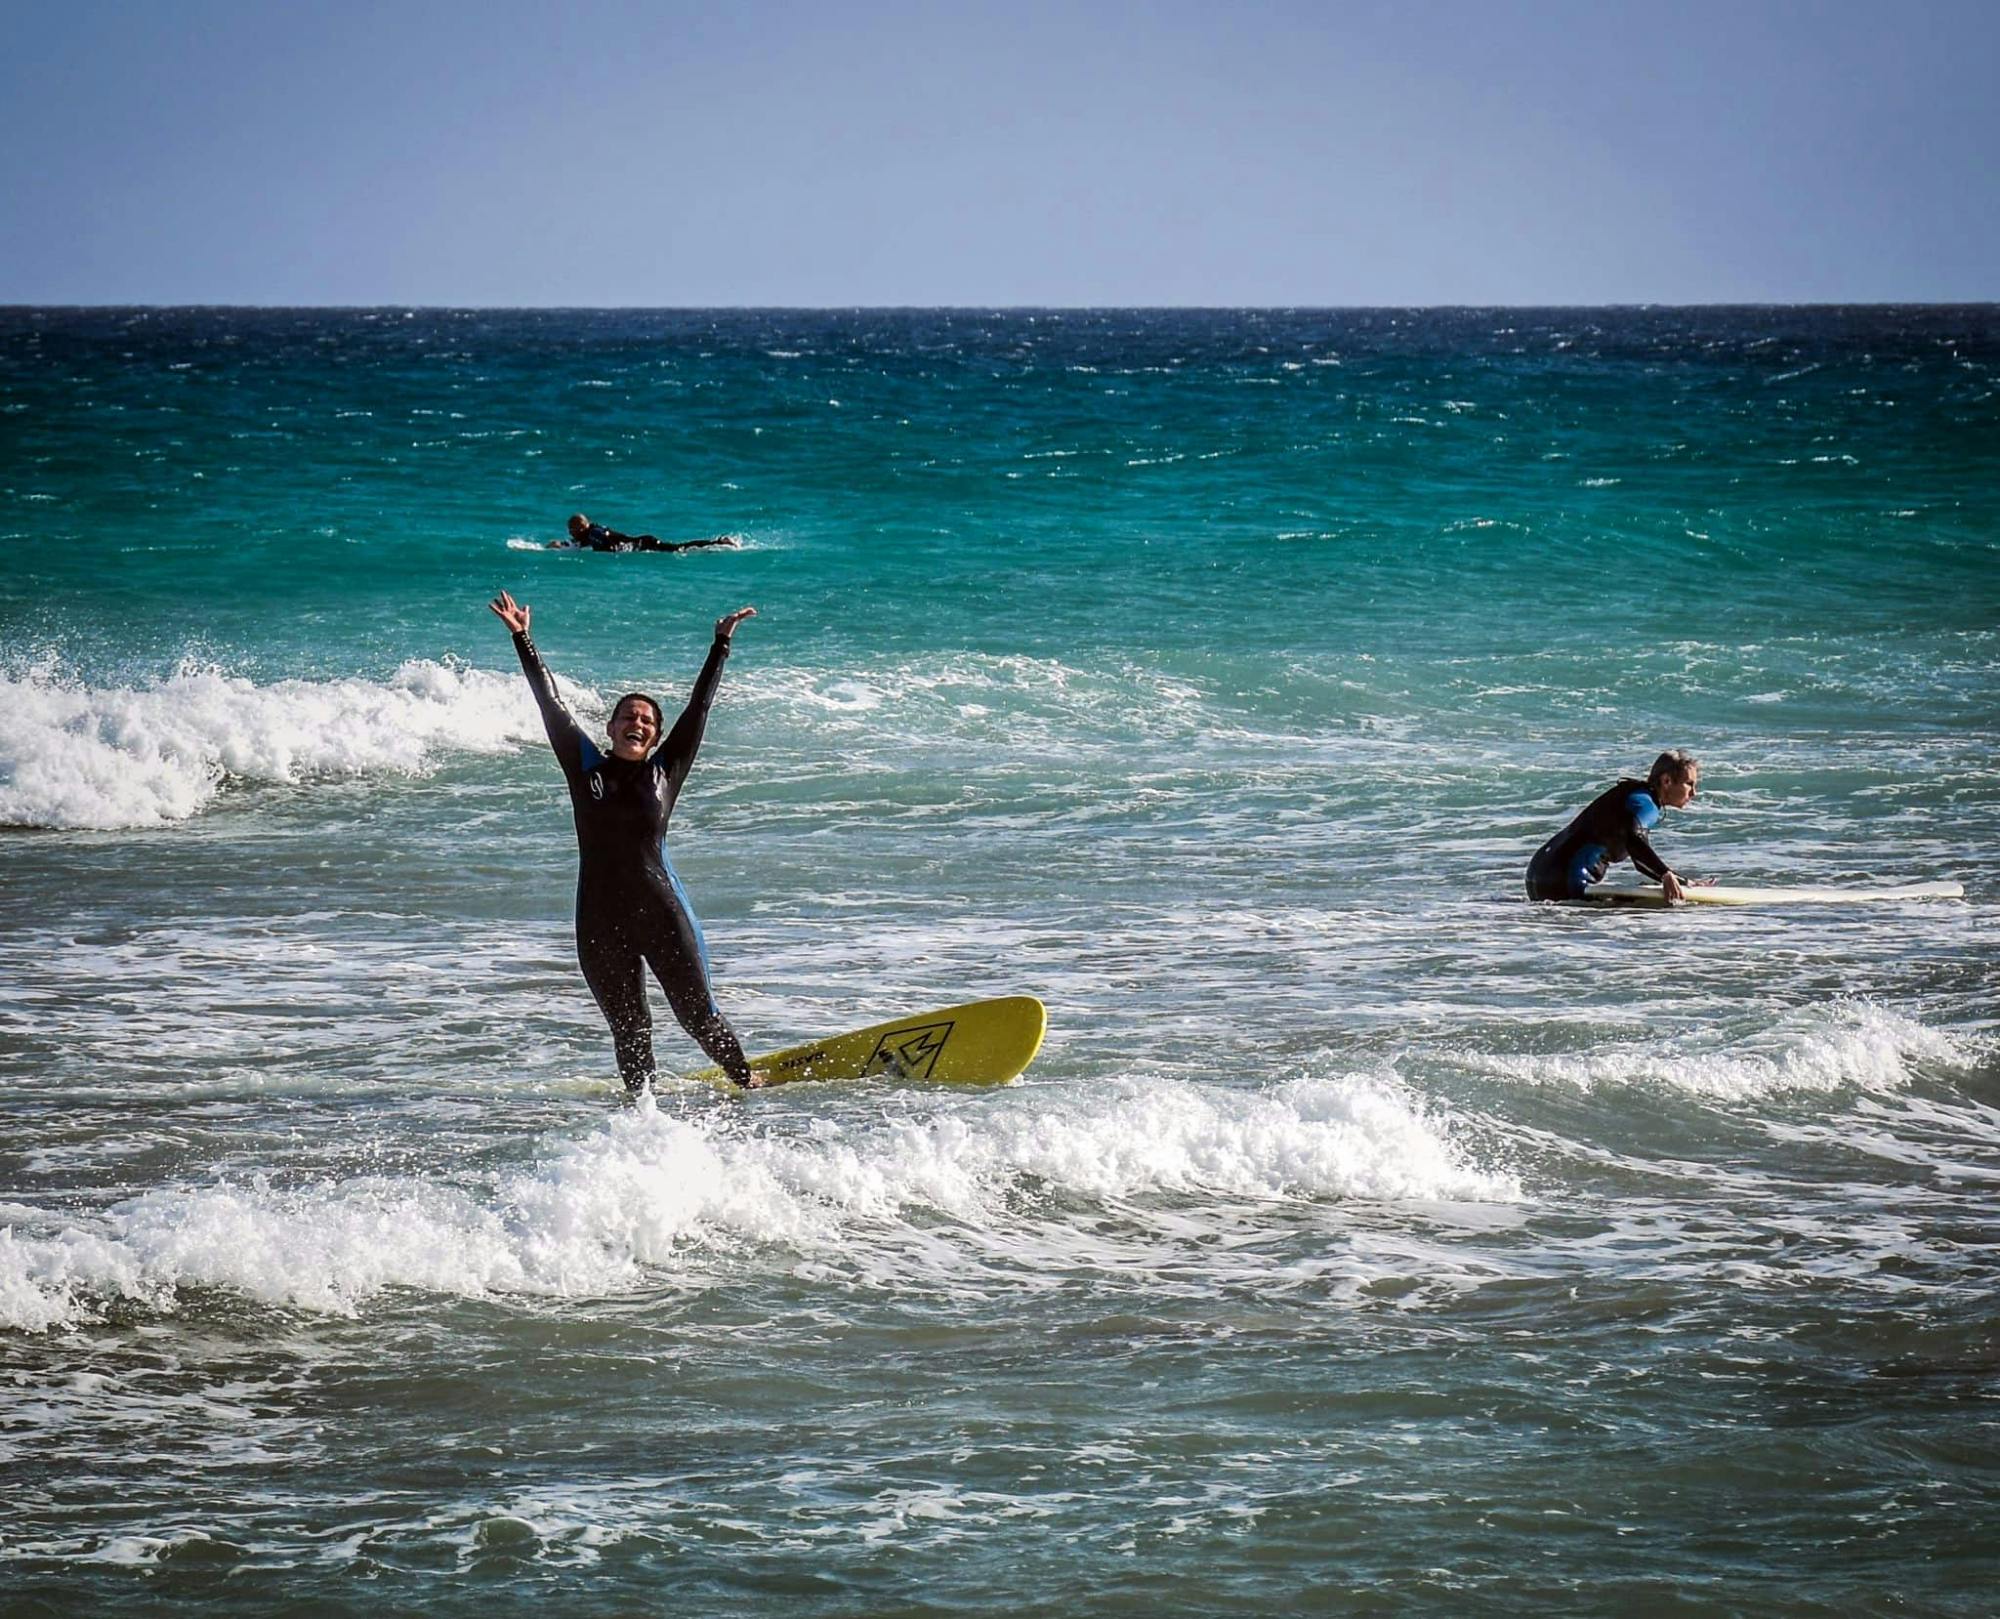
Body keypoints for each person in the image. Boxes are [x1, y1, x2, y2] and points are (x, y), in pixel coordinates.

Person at [488, 587, 763, 1090]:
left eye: (647, 720)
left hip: (660, 911)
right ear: (611, 726)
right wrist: (523, 639)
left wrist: (720, 643)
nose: (637, 722)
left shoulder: (664, 772)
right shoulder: (584, 766)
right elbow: (550, 704)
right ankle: (642, 1120)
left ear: (655, 737)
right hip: (599, 920)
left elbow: (698, 710)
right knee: (631, 1030)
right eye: (628, 716)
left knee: (697, 1016)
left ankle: (747, 1081)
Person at [1526, 750, 1702, 903]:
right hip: (1566, 879)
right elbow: (1635, 841)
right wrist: (1667, 875)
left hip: (1538, 874)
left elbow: (1637, 852)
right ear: (1666, 781)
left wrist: (1671, 877)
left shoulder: (1633, 795)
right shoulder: (1646, 804)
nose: (1694, 793)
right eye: (1689, 784)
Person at [550, 513, 743, 553]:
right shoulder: (591, 534)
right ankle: (715, 543)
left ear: (581, 528)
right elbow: (582, 544)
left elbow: (604, 546)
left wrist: (566, 545)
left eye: (572, 530)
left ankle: (718, 542)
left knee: (678, 548)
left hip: (644, 544)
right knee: (678, 547)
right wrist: (562, 545)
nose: (571, 534)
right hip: (640, 544)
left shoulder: (596, 533)